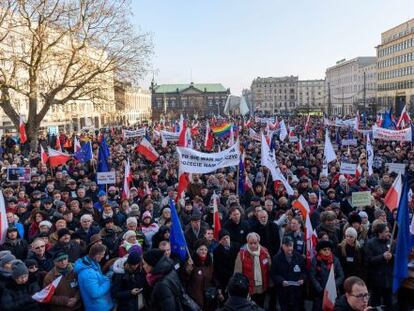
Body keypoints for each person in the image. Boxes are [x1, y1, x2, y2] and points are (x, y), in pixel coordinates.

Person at [234, 232, 271, 307]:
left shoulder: (265, 251)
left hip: (262, 287)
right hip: (249, 288)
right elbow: (237, 273)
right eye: (251, 243)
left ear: (258, 242)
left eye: (255, 243)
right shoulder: (242, 254)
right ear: (247, 242)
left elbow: (269, 267)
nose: (253, 245)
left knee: (261, 306)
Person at [270, 236, 306, 311]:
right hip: (283, 291)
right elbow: (274, 274)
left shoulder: (299, 257)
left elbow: (304, 271)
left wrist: (302, 279)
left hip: (296, 292)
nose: (289, 248)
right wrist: (281, 281)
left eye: (291, 245)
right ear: (282, 246)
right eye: (287, 246)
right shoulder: (276, 258)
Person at [74, 244, 114, 311]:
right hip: (98, 307)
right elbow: (95, 293)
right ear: (97, 255)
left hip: (102, 304)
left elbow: (99, 277)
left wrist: (106, 277)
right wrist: (108, 282)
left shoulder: (93, 264)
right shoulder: (88, 273)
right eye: (102, 254)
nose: (103, 256)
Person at [364, 223, 393, 310]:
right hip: (376, 280)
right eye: (386, 232)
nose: (389, 233)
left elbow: (396, 256)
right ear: (380, 233)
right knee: (375, 304)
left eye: (388, 231)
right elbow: (368, 260)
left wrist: (392, 257)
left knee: (389, 304)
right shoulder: (370, 243)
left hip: (388, 280)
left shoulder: (391, 242)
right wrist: (382, 257)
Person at [309, 240, 344, 311]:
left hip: (333, 292)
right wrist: (320, 289)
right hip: (319, 293)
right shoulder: (315, 260)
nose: (327, 251)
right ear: (319, 251)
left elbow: (341, 275)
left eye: (329, 249)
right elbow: (312, 276)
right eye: (324, 249)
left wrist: (333, 286)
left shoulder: (335, 260)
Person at [186, 239, 215, 310]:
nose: (204, 251)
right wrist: (188, 270)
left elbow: (214, 278)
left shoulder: (210, 263)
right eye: (201, 249)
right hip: (195, 298)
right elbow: (186, 278)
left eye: (205, 249)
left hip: (208, 298)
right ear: (197, 250)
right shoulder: (191, 262)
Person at [213, 229, 238, 302]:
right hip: (224, 280)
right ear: (220, 241)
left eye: (227, 237)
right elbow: (218, 268)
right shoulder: (216, 251)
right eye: (223, 238)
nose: (226, 240)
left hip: (236, 277)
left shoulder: (237, 246)